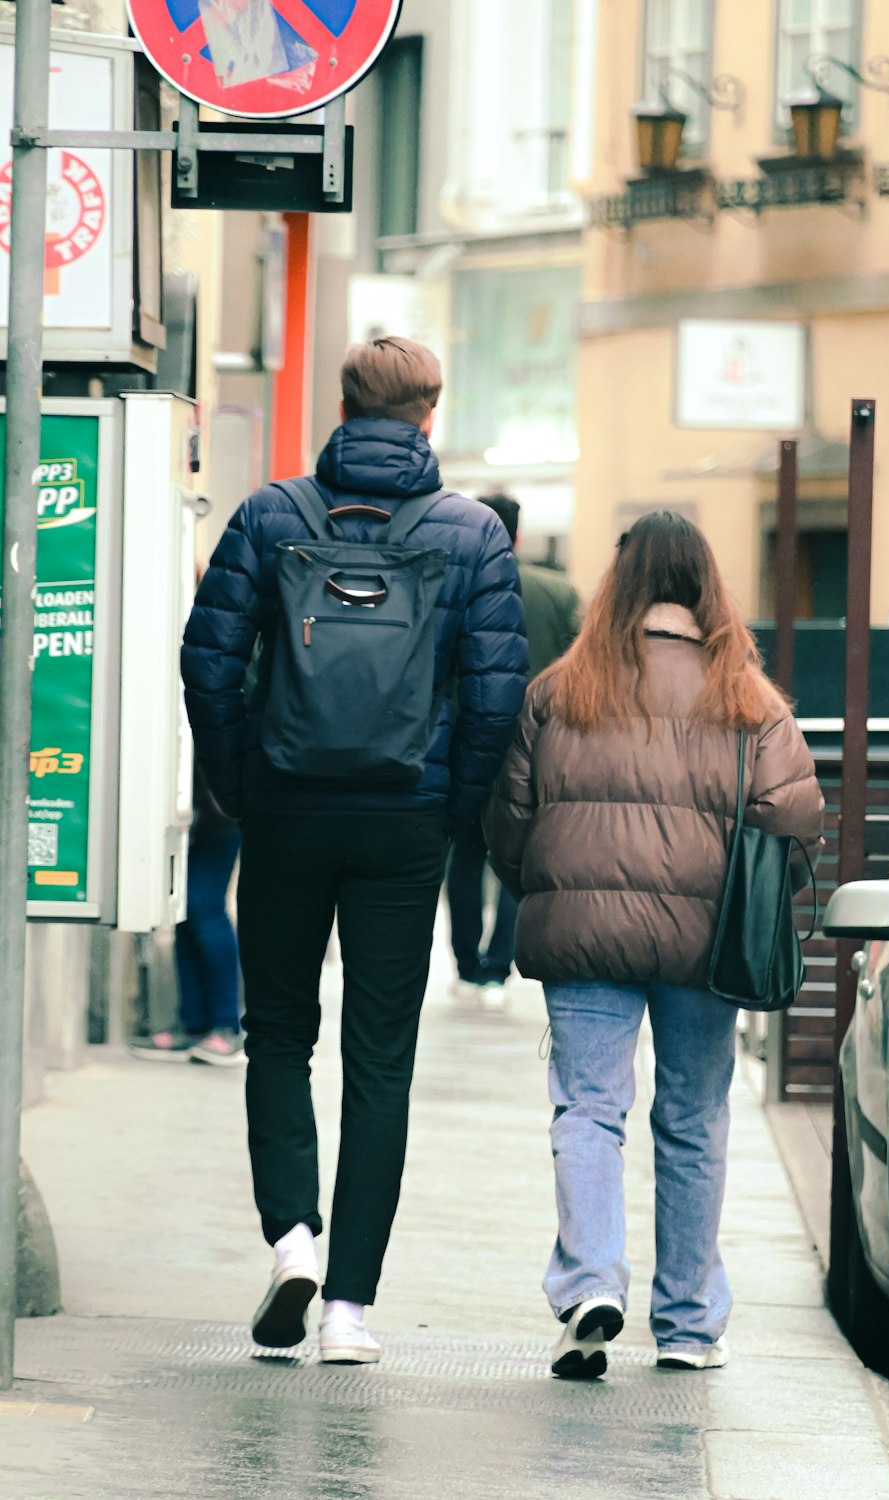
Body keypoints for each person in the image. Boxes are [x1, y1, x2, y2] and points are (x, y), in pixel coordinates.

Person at [181, 337, 528, 1364]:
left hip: (286, 810)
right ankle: (347, 1310)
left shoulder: (270, 516)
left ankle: (291, 1239)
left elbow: (208, 666)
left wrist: (244, 786)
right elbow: (495, 697)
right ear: (430, 414)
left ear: (342, 406)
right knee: (382, 1061)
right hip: (403, 823)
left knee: (278, 1032)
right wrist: (450, 812)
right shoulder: (472, 535)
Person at [486, 511, 823, 1380]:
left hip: (585, 935)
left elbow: (511, 822)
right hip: (705, 942)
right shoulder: (748, 699)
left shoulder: (562, 689)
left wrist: (554, 892)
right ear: (706, 586)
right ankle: (686, 1324)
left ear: (619, 587)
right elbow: (798, 817)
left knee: (589, 1108)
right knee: (692, 1119)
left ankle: (592, 1283)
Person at [446, 491, 579, 1005]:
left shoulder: (457, 587)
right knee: (517, 859)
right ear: (519, 534)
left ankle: (464, 962)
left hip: (468, 742)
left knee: (464, 854)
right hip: (538, 748)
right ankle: (499, 966)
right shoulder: (558, 593)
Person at [128, 761, 243, 1066]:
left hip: (217, 814)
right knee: (185, 914)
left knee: (205, 910)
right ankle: (195, 1025)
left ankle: (226, 1026)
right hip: (194, 813)